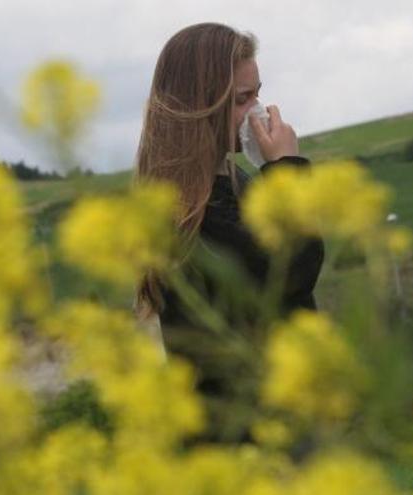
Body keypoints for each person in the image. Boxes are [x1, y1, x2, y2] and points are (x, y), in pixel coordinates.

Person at [133, 22, 324, 442]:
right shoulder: (189, 211)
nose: (259, 111)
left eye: (258, 93)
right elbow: (293, 270)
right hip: (244, 442)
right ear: (201, 105)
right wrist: (287, 171)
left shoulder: (231, 185)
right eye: (242, 99)